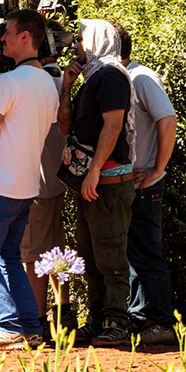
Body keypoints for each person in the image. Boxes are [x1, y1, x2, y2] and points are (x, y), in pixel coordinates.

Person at [0, 10, 59, 350]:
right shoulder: (49, 83)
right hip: (27, 184)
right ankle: (30, 326)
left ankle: (7, 325)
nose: (2, 38)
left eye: (8, 32)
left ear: (26, 37)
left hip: (0, 184)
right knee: (8, 256)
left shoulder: (9, 82)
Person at [57, 19, 135, 347]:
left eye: (81, 40)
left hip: (108, 179)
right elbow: (65, 127)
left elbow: (113, 127)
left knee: (111, 254)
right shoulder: (92, 79)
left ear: (96, 41)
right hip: (91, 181)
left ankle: (118, 322)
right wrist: (66, 87)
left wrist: (94, 171)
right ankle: (97, 319)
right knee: (91, 255)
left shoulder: (112, 76)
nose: (75, 46)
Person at [116, 23, 178, 345]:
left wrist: (157, 169)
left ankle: (160, 322)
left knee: (146, 251)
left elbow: (167, 119)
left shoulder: (141, 78)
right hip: (130, 180)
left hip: (145, 182)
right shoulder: (126, 77)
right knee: (134, 252)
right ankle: (141, 319)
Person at [21, 24, 74, 341]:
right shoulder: (58, 81)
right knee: (57, 249)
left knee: (34, 255)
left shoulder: (35, 83)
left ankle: (37, 321)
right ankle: (64, 310)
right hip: (56, 179)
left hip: (37, 183)